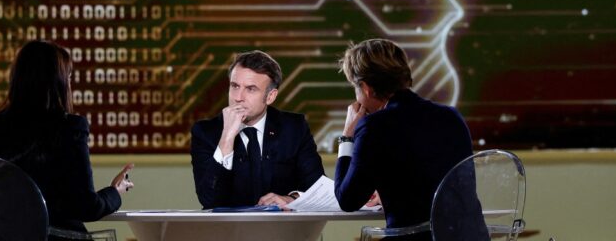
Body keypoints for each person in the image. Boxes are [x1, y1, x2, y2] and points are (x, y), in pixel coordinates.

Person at [0, 40, 134, 235]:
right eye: (68, 77)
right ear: (59, 82)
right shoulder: (70, 128)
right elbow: (86, 207)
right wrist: (115, 192)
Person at [334, 39, 476, 239]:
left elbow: (347, 200)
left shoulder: (374, 126)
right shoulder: (451, 116)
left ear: (365, 88)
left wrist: (347, 136)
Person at [190, 50, 324, 208]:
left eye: (250, 89)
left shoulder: (294, 128)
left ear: (270, 96)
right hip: (228, 231)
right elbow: (209, 199)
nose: (238, 97)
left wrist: (289, 199)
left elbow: (317, 188)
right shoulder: (205, 132)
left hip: (282, 229)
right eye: (235, 86)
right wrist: (227, 137)